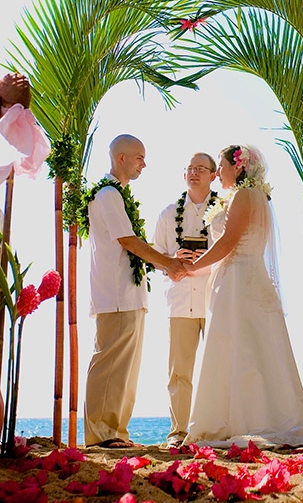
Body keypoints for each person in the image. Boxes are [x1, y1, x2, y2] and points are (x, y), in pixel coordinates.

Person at [182, 145, 303, 447]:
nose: (218, 173)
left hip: (239, 281)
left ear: (237, 167)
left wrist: (192, 267)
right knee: (252, 347)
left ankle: (241, 420)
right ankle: (246, 415)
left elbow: (228, 241)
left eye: (223, 166)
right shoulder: (255, 196)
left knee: (239, 346)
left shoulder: (244, 195)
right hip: (244, 279)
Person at [83, 135, 185, 448]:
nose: (144, 164)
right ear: (122, 158)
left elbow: (133, 245)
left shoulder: (118, 195)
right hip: (114, 294)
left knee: (126, 369)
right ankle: (101, 435)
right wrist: (167, 262)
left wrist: (166, 262)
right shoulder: (108, 194)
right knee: (110, 364)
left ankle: (115, 432)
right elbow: (127, 240)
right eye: (139, 157)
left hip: (129, 293)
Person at [151, 152, 221, 448]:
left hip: (214, 298)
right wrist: (173, 259)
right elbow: (155, 256)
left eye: (201, 169)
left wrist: (205, 260)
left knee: (217, 367)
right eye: (189, 168)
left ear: (213, 175)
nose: (194, 173)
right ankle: (178, 432)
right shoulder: (169, 213)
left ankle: (217, 429)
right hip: (179, 301)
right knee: (179, 371)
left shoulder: (222, 211)